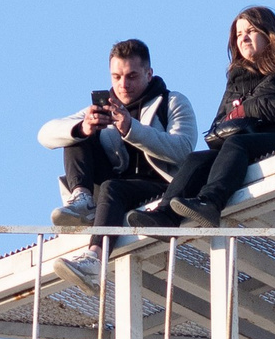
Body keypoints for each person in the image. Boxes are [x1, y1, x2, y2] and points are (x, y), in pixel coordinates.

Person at [128, 7, 275, 231]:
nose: (243, 38)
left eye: (250, 31)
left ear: (269, 33)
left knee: (237, 143)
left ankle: (210, 202)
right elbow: (221, 121)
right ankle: (165, 215)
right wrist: (222, 129)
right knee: (197, 159)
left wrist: (248, 109)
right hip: (243, 142)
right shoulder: (238, 77)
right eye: (239, 34)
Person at [37, 42, 197, 231]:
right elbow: (45, 134)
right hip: (111, 189)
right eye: (117, 77)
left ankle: (95, 248)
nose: (123, 84)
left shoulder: (172, 101)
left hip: (160, 188)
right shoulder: (103, 109)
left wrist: (131, 128)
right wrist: (83, 128)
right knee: (77, 134)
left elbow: (183, 149)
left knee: (112, 187)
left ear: (149, 74)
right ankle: (82, 199)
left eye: (132, 76)